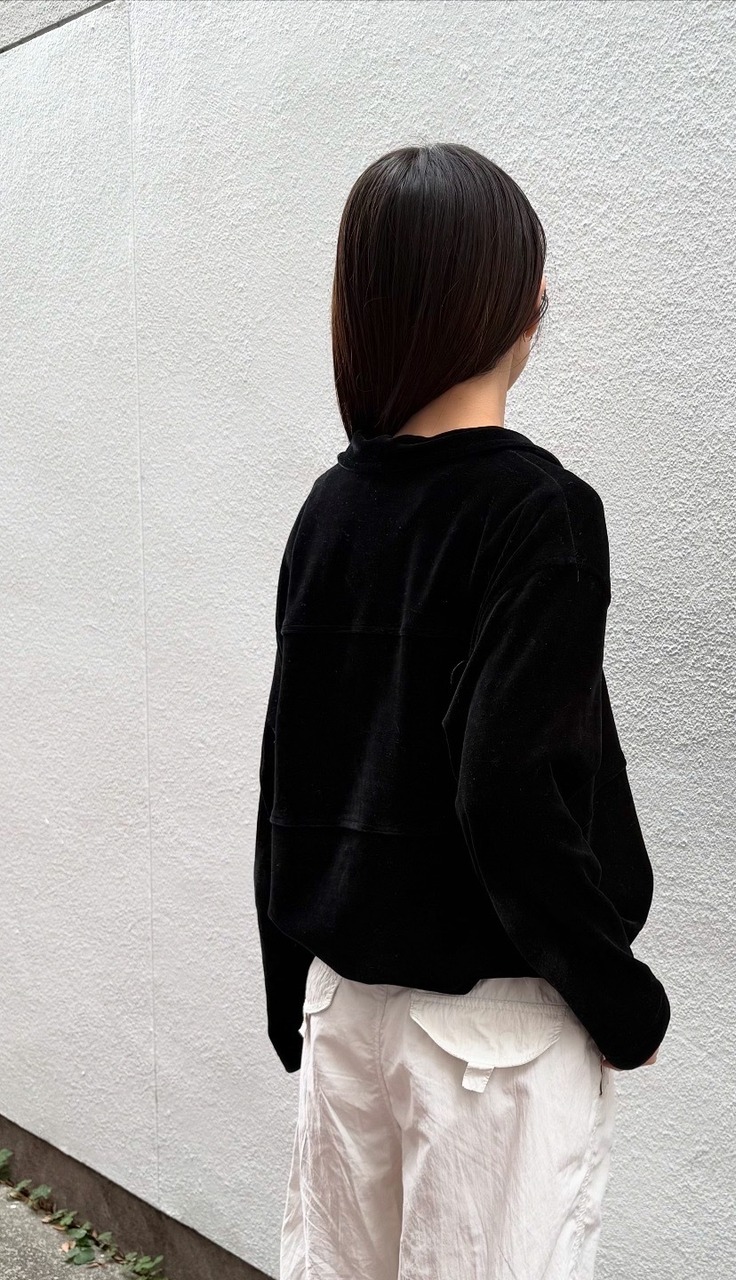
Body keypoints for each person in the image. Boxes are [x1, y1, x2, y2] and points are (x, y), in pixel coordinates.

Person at [254, 142, 671, 1280]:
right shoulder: (538, 510)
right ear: (512, 300)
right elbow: (507, 786)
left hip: (346, 1007)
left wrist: (290, 988)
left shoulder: (329, 508)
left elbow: (289, 766)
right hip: (494, 1034)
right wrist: (623, 1002)